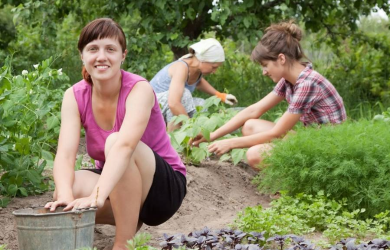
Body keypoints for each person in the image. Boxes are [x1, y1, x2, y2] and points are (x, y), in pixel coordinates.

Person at [44, 18, 187, 250]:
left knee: (115, 141)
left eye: (110, 49)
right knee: (68, 185)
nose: (101, 56)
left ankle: (123, 244)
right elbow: (65, 154)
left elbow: (125, 146)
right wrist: (65, 196)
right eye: (93, 49)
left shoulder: (138, 89)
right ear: (82, 56)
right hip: (123, 185)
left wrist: (99, 195)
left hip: (163, 189)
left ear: (123, 55)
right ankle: (129, 220)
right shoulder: (75, 95)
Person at [191, 20, 347, 170]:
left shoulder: (307, 84)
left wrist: (231, 143)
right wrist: (212, 135)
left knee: (255, 155)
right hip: (312, 140)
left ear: (281, 59)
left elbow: (276, 133)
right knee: (250, 125)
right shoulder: (289, 79)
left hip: (328, 152)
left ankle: (292, 185)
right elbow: (254, 110)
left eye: (265, 65)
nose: (264, 72)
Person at [150, 38, 238, 132]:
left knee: (201, 104)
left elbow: (199, 82)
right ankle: (173, 140)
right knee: (184, 95)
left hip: (165, 107)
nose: (214, 71)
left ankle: (193, 140)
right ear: (203, 60)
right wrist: (192, 129)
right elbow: (173, 103)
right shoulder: (181, 68)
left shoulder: (195, 70)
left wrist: (221, 96)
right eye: (214, 67)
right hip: (150, 107)